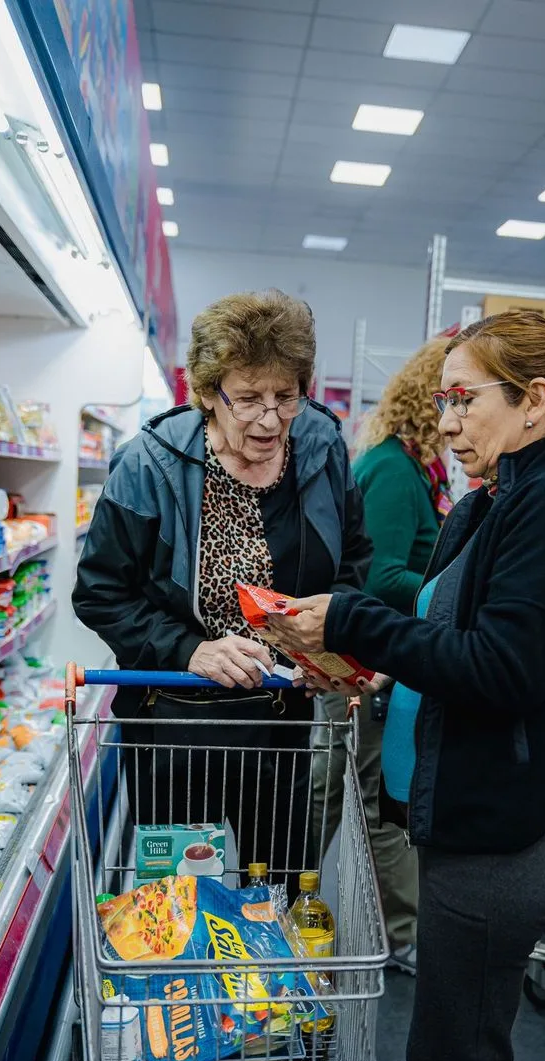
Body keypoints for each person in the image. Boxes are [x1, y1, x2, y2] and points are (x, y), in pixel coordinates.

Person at [263, 310, 545, 1061]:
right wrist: (361, 660)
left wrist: (356, 619)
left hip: (508, 831)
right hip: (468, 813)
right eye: (443, 401)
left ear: (535, 400)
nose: (450, 421)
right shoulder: (497, 500)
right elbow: (452, 633)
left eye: (466, 399)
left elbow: (505, 669)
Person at [72, 288, 372, 887]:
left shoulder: (320, 449)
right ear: (208, 395)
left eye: (286, 397)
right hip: (175, 724)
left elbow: (354, 561)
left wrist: (327, 636)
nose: (270, 419)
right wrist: (191, 649)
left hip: (281, 721)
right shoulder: (148, 466)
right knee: (182, 902)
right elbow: (101, 592)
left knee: (281, 890)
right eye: (248, 399)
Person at [313, 336, 453, 976]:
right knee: (370, 800)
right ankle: (403, 934)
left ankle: (299, 905)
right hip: (369, 664)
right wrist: (445, 592)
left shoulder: (414, 469)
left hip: (375, 660)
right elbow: (379, 576)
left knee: (342, 794)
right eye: (451, 401)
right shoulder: (396, 472)